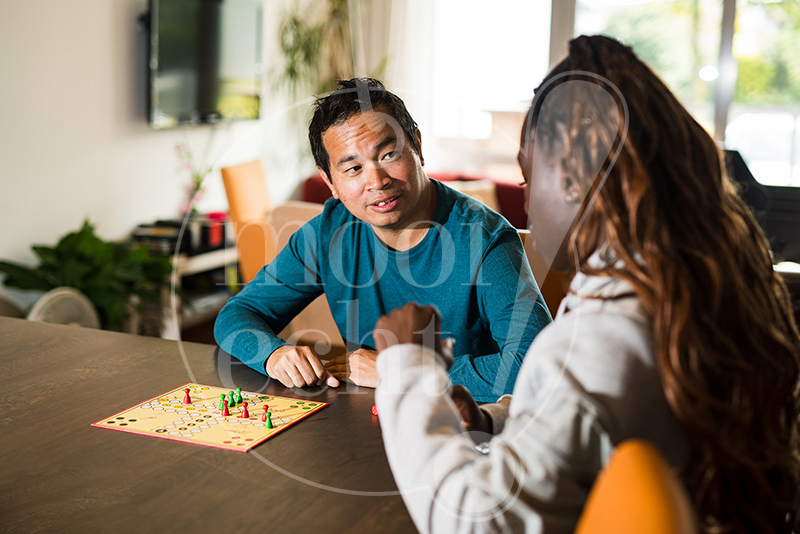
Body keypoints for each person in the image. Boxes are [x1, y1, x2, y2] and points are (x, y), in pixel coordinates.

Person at [373, 35, 800, 534]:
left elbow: (477, 522)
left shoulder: (600, 338)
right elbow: (598, 419)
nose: (528, 205)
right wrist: (495, 420)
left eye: (529, 181)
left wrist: (408, 365)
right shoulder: (690, 284)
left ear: (572, 179)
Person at [214, 78, 551, 402]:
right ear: (329, 182)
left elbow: (536, 366)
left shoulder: (485, 238)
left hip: (470, 432)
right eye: (352, 169)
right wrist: (274, 355)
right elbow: (238, 314)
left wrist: (400, 371)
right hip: (368, 427)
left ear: (417, 145)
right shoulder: (328, 234)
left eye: (388, 154)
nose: (376, 181)